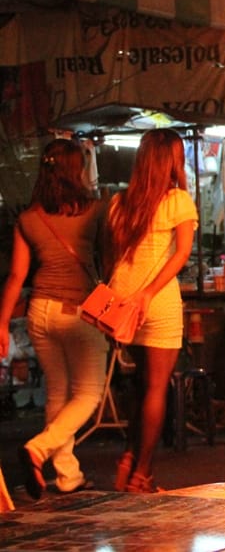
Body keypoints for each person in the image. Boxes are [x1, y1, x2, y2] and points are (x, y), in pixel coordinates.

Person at [0, 139, 108, 498]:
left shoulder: (28, 218)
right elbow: (107, 261)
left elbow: (17, 276)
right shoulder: (94, 211)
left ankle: (68, 476)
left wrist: (1, 323)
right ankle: (39, 449)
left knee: (58, 393)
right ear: (74, 170)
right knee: (89, 394)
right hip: (79, 311)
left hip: (40, 311)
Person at [107, 128, 198, 493]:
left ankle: (129, 458)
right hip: (154, 301)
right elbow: (181, 254)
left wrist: (130, 295)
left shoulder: (119, 202)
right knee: (158, 389)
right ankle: (141, 476)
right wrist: (148, 294)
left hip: (122, 302)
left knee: (142, 385)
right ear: (171, 160)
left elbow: (116, 257)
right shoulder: (177, 200)